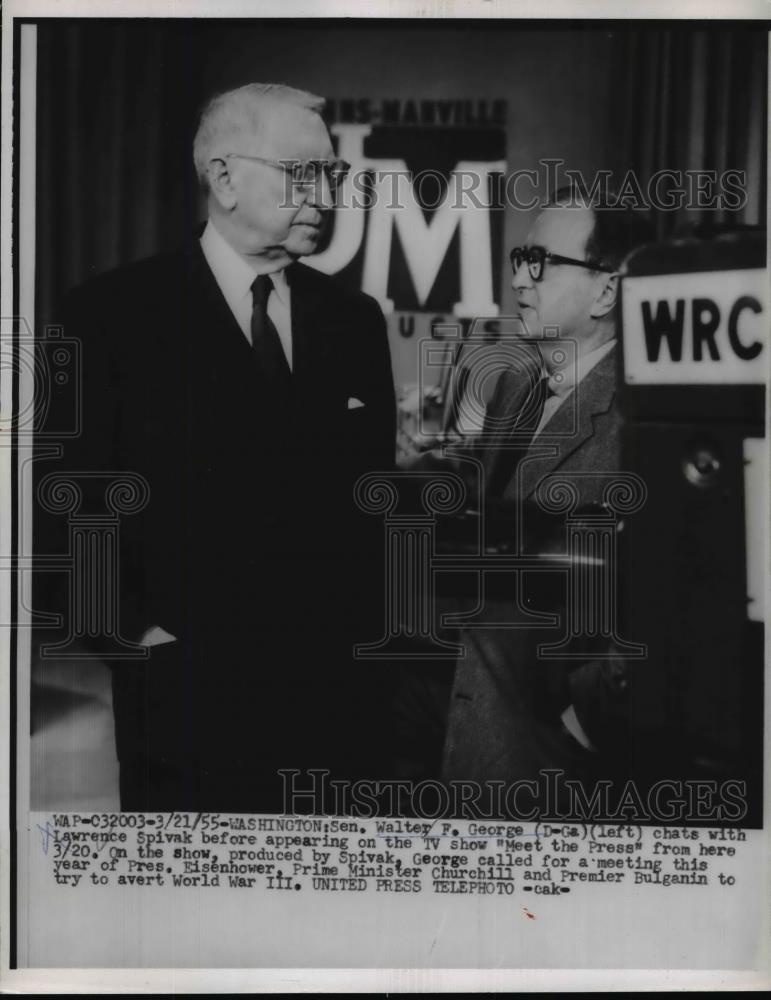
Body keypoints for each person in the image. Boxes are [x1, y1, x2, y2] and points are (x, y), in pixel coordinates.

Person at [45, 83, 396, 812]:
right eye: (302, 173)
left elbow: (372, 503)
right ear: (224, 178)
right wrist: (132, 636)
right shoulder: (108, 314)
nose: (325, 195)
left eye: (331, 174)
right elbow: (72, 499)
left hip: (334, 697)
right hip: (184, 699)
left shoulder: (354, 319)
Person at [394, 186, 654, 806]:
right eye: (520, 259)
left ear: (606, 289)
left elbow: (664, 590)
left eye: (543, 262)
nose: (521, 278)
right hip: (462, 709)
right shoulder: (516, 379)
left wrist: (585, 721)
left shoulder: (645, 414)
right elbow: (494, 505)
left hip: (547, 750)